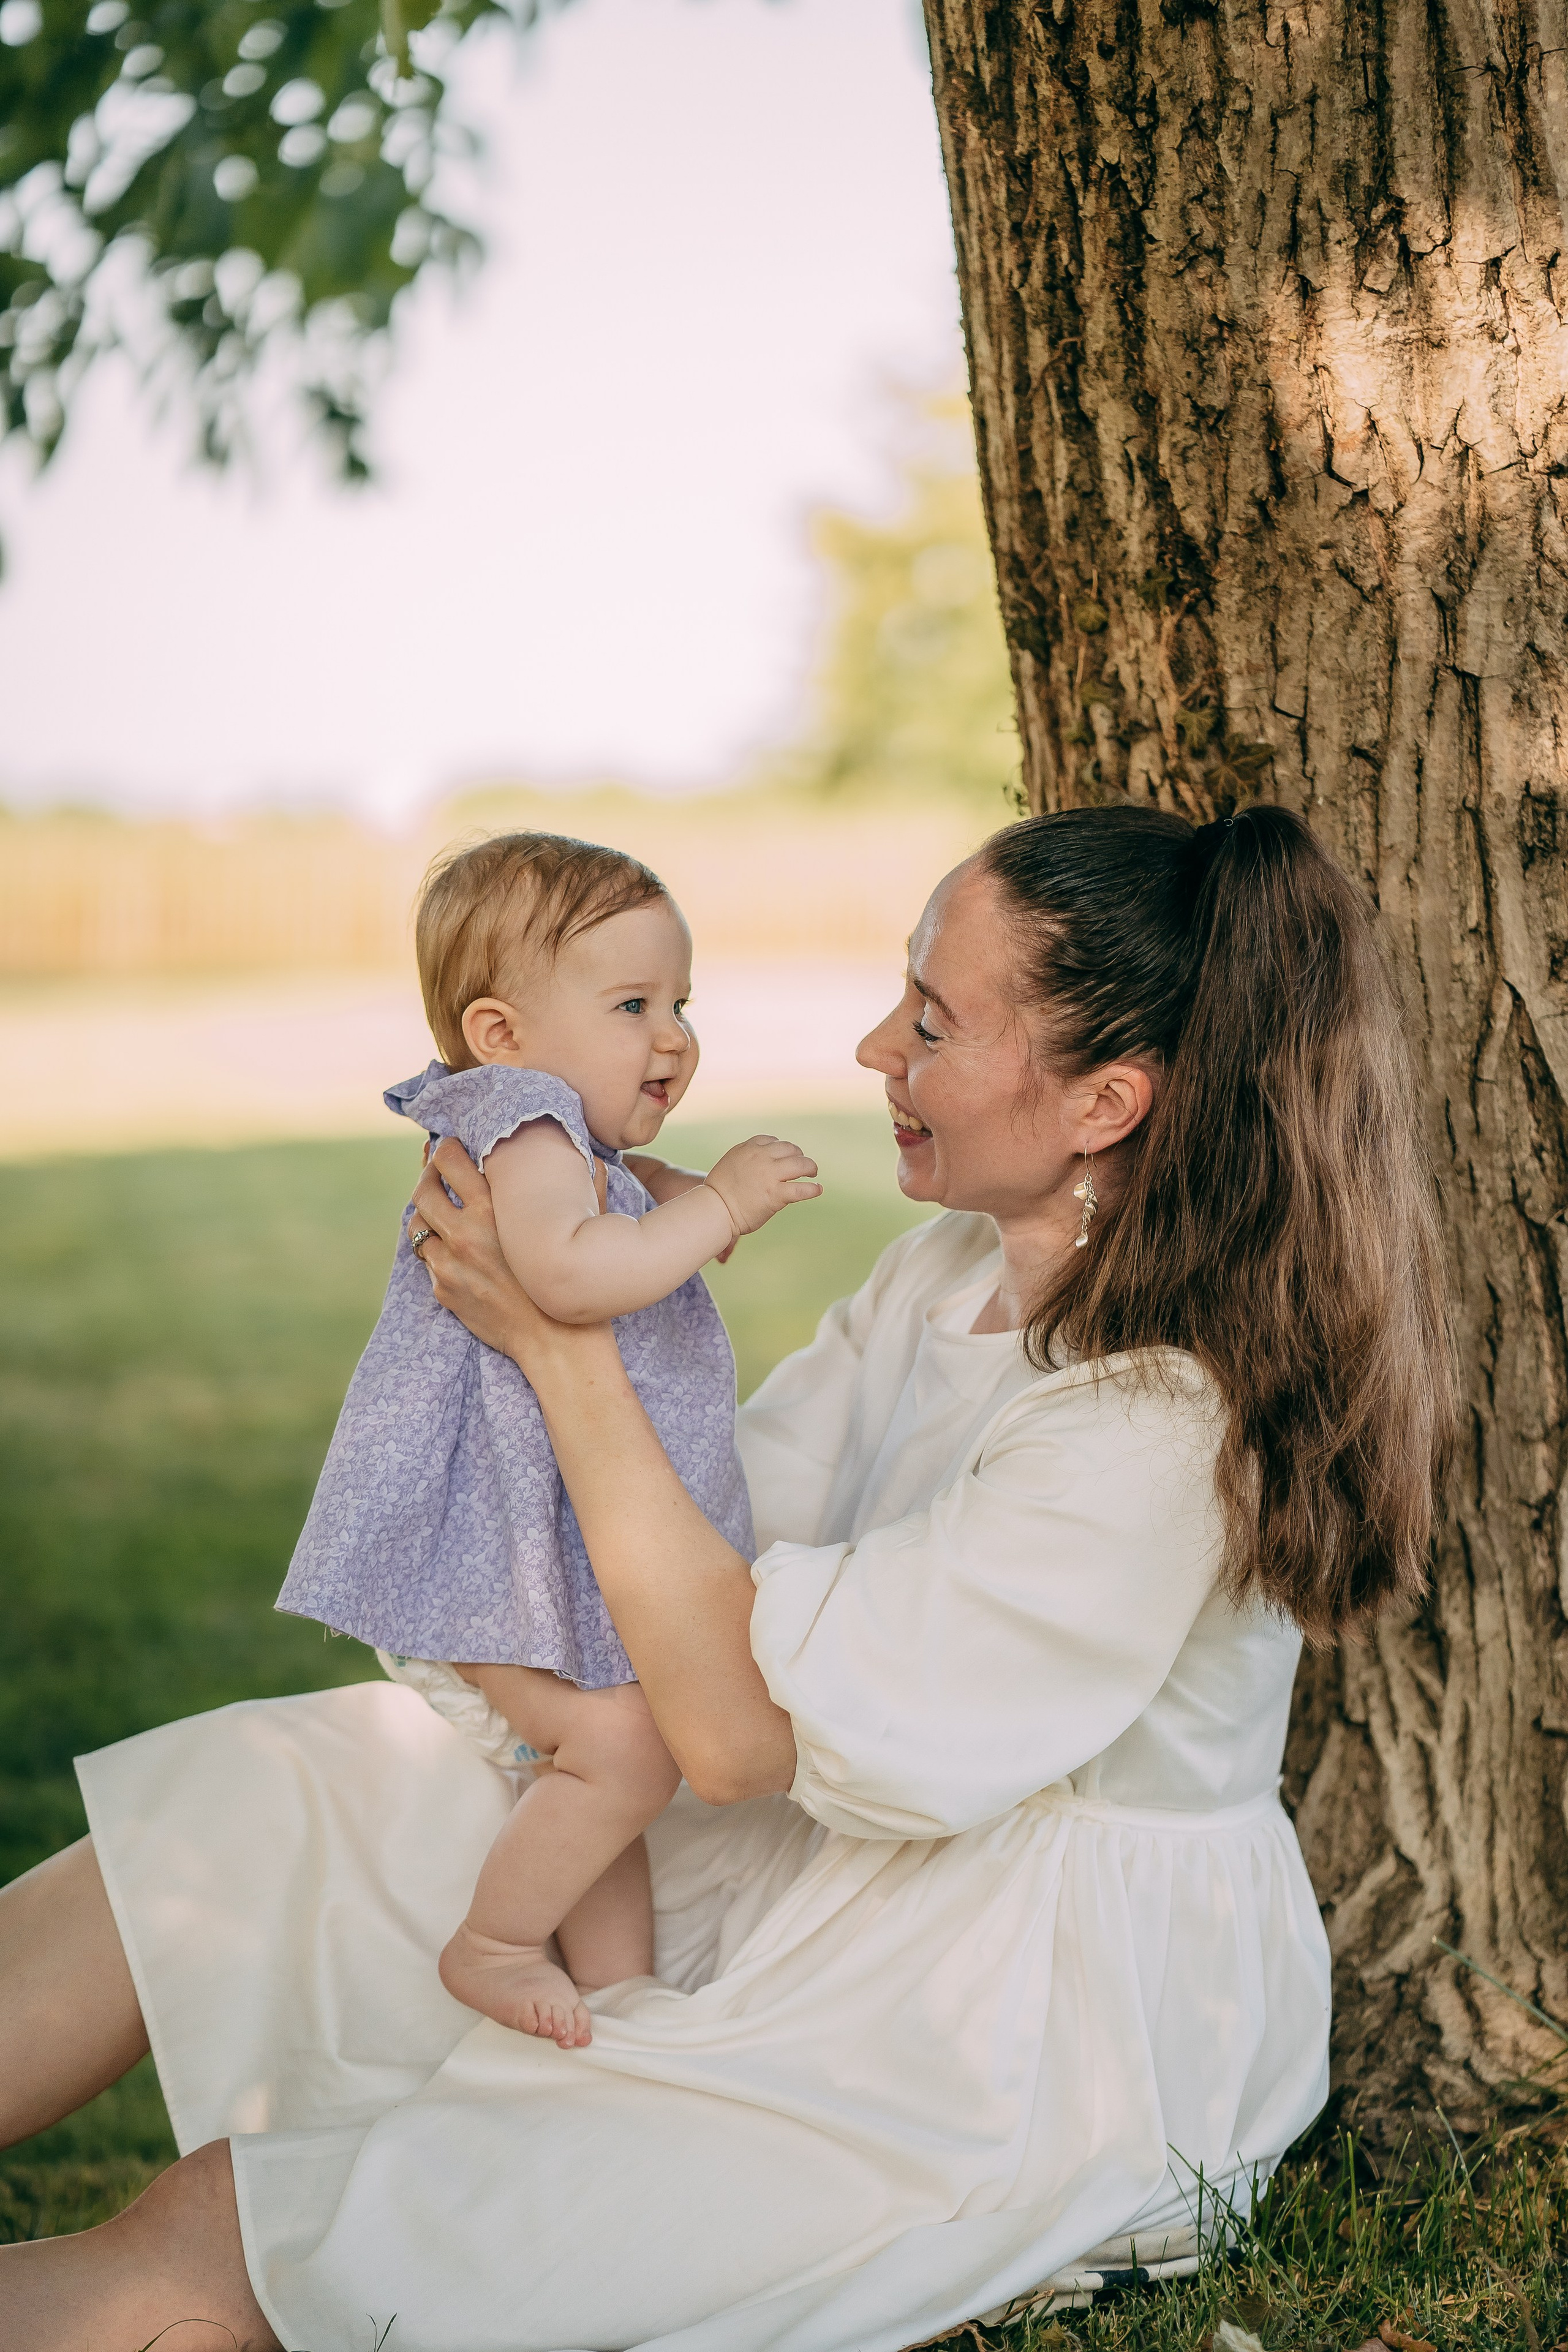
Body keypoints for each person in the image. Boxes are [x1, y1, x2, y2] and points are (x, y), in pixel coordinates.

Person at [0, 805, 1455, 2352]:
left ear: (1103, 1101)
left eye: (931, 1022)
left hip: (1005, 2025)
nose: (869, 1048)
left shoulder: (1154, 1418)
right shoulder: (942, 1278)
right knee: (275, 1795)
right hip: (802, 1840)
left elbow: (736, 1729)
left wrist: (560, 1348)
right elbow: (701, 1553)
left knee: (267, 2235)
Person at [276, 830, 821, 2048]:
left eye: (680, 1002)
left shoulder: (567, 1144)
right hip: (472, 1555)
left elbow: (604, 1222)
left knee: (608, 1747)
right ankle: (495, 1944)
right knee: (624, 1746)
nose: (672, 1036)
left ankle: (622, 1994)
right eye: (631, 1004)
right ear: (501, 1034)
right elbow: (569, 1277)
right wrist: (721, 1204)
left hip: (518, 1553)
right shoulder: (522, 1127)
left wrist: (668, 1194)